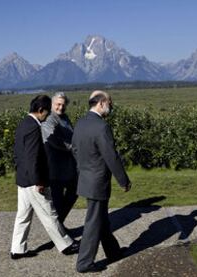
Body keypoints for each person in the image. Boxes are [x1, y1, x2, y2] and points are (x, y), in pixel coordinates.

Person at [10, 95, 79, 260]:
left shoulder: (23, 124)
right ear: (40, 110)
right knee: (50, 214)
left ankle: (17, 248)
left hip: (23, 179)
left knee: (23, 215)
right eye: (47, 113)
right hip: (34, 181)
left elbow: (19, 154)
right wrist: (39, 181)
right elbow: (33, 157)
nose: (47, 116)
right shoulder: (34, 127)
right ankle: (66, 245)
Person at [72, 90, 132, 273]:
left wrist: (83, 169)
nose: (111, 107)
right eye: (110, 103)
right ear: (101, 103)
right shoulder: (101, 127)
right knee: (93, 223)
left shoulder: (80, 123)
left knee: (101, 219)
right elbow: (111, 157)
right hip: (97, 181)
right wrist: (123, 180)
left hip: (86, 178)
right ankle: (84, 263)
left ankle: (113, 252)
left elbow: (74, 149)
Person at [41, 92, 78, 225]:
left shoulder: (65, 118)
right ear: (52, 104)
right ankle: (58, 231)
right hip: (54, 167)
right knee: (57, 199)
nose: (61, 107)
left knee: (73, 192)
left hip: (67, 166)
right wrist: (73, 147)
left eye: (63, 105)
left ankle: (58, 226)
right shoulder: (49, 119)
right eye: (58, 104)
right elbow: (53, 140)